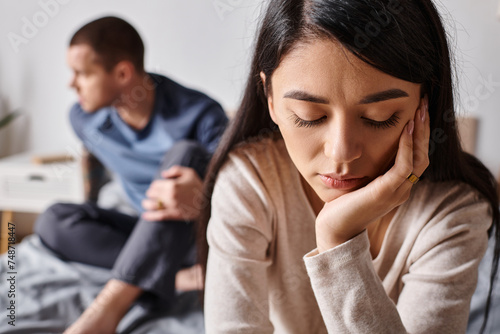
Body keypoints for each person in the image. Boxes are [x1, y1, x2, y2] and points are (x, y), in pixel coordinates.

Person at [198, 0, 500, 333]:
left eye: (379, 117)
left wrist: (338, 240)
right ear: (269, 98)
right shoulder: (249, 181)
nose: (341, 152)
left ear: (423, 105)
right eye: (309, 116)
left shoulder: (453, 214)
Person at [33, 16, 228, 334]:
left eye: (82, 73)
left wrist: (205, 193)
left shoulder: (201, 114)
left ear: (122, 73)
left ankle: (108, 309)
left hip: (196, 237)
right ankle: (169, 275)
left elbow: (242, 186)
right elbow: (94, 176)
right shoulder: (84, 119)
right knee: (53, 220)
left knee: (186, 154)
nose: (72, 84)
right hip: (144, 234)